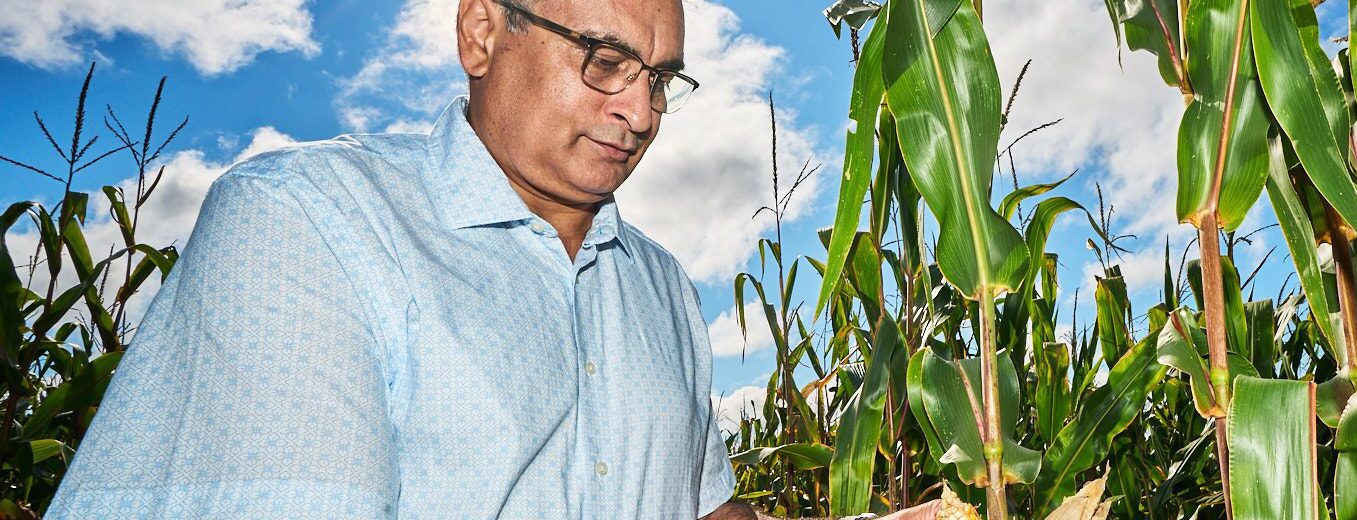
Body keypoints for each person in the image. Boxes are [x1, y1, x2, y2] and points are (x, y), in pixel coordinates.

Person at [46, 0, 933, 518]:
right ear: (480, 33)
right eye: (605, 61)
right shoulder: (308, 224)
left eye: (660, 78)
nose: (641, 112)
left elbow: (699, 507)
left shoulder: (660, 285)